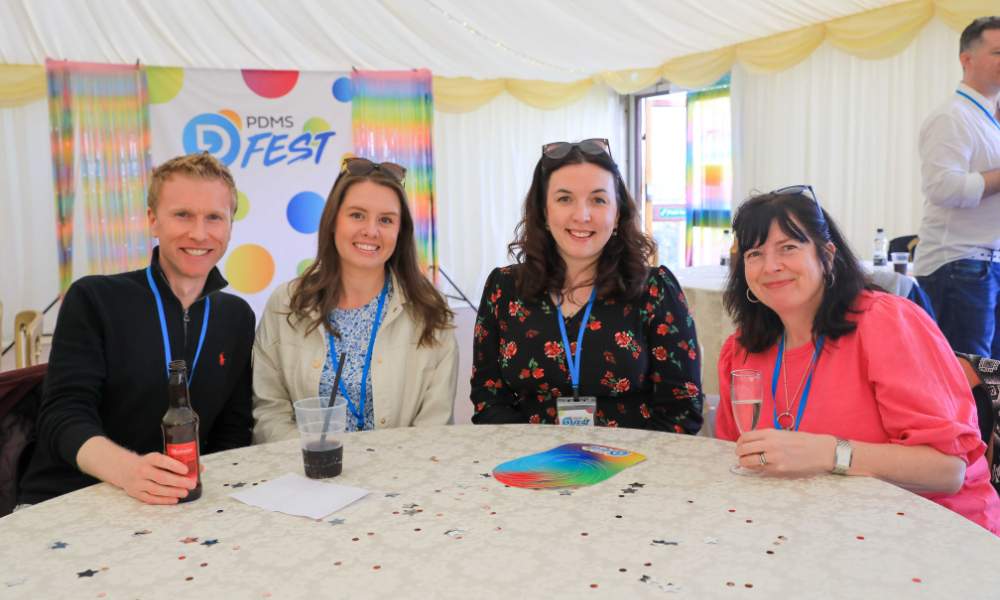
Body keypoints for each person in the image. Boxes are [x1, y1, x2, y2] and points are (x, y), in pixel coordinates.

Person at [716, 187, 999, 534]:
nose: (771, 266)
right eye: (754, 253)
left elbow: (946, 471)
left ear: (827, 255)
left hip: (931, 531)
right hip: (812, 528)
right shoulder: (742, 350)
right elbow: (737, 460)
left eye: (788, 247)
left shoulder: (885, 323)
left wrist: (828, 453)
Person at [17, 153, 255, 506]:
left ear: (230, 226)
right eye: (183, 215)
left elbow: (231, 432)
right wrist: (128, 471)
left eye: (214, 218)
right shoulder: (94, 298)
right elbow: (62, 417)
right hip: (71, 497)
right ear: (152, 220)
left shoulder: (237, 316)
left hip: (181, 504)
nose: (199, 233)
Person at [470, 138, 703, 432]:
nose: (582, 215)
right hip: (528, 467)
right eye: (565, 199)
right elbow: (488, 398)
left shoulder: (654, 290)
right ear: (543, 211)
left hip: (634, 468)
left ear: (617, 214)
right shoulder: (504, 288)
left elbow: (682, 409)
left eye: (598, 199)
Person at [252, 157, 457, 442]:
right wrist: (315, 458)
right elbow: (269, 411)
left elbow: (435, 423)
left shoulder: (431, 312)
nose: (371, 231)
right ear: (333, 221)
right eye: (357, 215)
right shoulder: (286, 304)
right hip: (307, 476)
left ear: (400, 231)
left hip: (403, 478)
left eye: (385, 220)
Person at [915, 16, 1000, 357]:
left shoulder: (987, 119)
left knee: (990, 380)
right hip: (960, 266)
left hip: (985, 263)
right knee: (969, 379)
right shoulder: (951, 116)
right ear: (967, 60)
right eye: (998, 52)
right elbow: (943, 188)